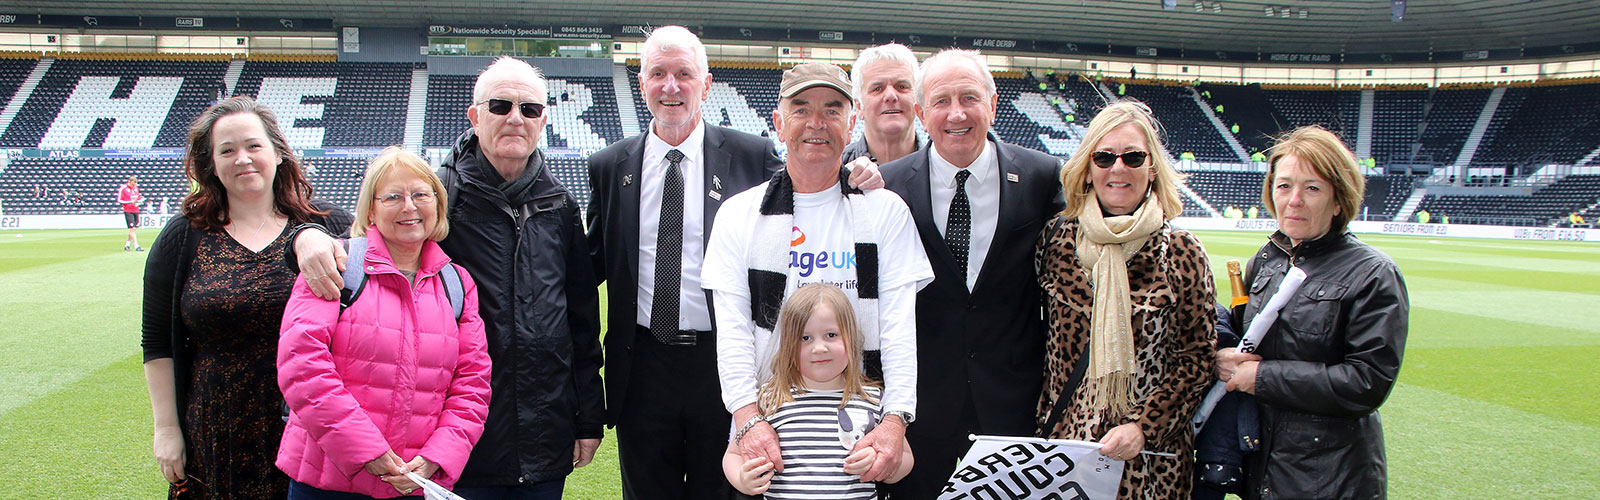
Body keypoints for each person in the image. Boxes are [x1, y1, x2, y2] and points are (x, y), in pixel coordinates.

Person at [291, 57, 602, 499]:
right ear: (475, 117)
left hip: (543, 438)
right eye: (500, 106)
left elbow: (582, 321)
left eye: (529, 109)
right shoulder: (437, 196)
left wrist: (588, 415)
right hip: (457, 444)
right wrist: (305, 236)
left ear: (543, 121)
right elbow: (364, 243)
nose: (515, 118)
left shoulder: (561, 206)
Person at [585, 25, 848, 500]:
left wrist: (857, 175)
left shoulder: (752, 155)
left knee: (726, 491)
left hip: (724, 361)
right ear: (641, 81)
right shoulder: (610, 166)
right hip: (642, 364)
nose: (671, 86)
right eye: (658, 73)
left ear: (705, 85)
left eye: (684, 73)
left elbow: (811, 187)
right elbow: (591, 266)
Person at [703, 62, 932, 494]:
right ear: (778, 122)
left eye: (832, 109)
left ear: (853, 121)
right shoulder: (738, 214)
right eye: (801, 108)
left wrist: (895, 420)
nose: (816, 123)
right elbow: (732, 335)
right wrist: (749, 421)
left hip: (862, 421)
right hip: (773, 423)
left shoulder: (885, 211)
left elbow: (901, 330)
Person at [141, 96, 353, 499]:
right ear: (211, 164)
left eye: (253, 146)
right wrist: (166, 429)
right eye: (227, 150)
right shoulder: (183, 235)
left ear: (277, 152)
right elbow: (157, 342)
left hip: (313, 425)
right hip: (216, 429)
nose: (243, 159)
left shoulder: (329, 223)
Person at [878, 48, 1065, 499]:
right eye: (941, 101)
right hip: (923, 406)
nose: (956, 113)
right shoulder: (889, 184)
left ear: (993, 103)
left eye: (969, 98)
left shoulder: (1041, 176)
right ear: (921, 113)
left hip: (1012, 401)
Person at [276, 148, 492, 498]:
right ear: (371, 209)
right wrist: (367, 452)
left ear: (437, 203)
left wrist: (438, 457)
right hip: (328, 484)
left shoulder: (457, 283)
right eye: (393, 196)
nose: (409, 206)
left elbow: (473, 383)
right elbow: (302, 368)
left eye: (421, 194)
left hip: (416, 482)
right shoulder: (338, 265)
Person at [1035, 100, 1216, 499]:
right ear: (1088, 168)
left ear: (1152, 168)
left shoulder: (1182, 250)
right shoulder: (1055, 241)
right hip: (1067, 453)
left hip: (1147, 460)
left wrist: (1144, 427)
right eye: (1104, 157)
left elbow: (1198, 357)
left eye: (1133, 157)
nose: (1118, 168)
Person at [1216, 126, 1408, 499]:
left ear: (1339, 200)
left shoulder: (1373, 273)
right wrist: (1224, 355)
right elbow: (1246, 344)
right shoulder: (1267, 260)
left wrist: (1263, 377)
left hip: (1332, 477)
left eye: (1313, 188)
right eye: (1284, 186)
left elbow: (1367, 382)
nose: (1295, 200)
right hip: (1264, 468)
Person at [721, 284, 914, 499]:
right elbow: (733, 454)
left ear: (850, 338)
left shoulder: (873, 399)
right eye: (805, 338)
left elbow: (904, 456)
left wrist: (879, 461)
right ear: (787, 346)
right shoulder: (770, 398)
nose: (819, 347)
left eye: (831, 335)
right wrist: (742, 478)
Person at [842, 43, 924, 166]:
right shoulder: (834, 171)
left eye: (902, 87)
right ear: (859, 106)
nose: (891, 96)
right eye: (877, 88)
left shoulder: (943, 168)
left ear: (917, 99)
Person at [119, 175, 145, 251]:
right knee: (132, 228)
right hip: (128, 210)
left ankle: (127, 244)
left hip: (135, 210)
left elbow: (138, 198)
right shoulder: (123, 188)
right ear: (129, 182)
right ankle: (136, 245)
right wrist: (129, 202)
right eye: (133, 184)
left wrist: (139, 202)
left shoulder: (136, 189)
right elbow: (119, 200)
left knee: (133, 229)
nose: (134, 185)